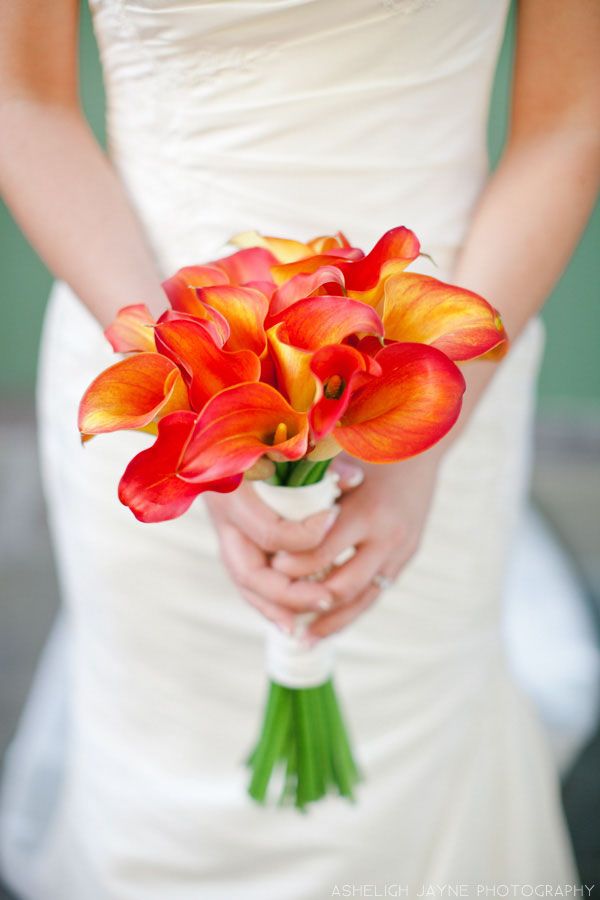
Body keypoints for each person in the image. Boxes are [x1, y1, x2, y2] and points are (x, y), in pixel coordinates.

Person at [0, 1, 599, 897]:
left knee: (410, 754)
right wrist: (194, 412)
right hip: (146, 332)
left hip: (445, 352)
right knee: (163, 765)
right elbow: (23, 97)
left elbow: (570, 118)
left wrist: (423, 434)